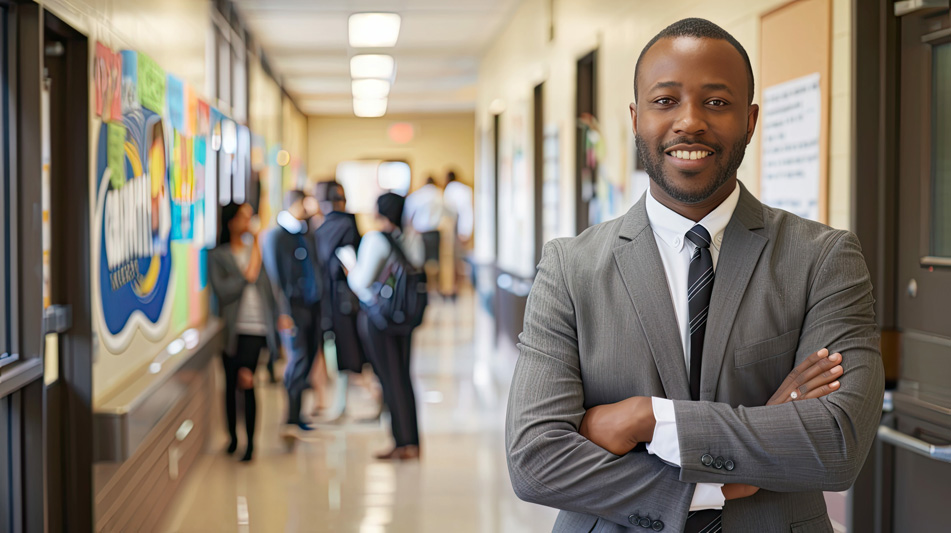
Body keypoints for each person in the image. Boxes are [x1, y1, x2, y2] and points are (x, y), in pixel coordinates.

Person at [505, 18, 884, 533]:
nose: (690, 122)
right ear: (636, 118)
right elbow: (535, 459)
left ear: (750, 121)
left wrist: (646, 418)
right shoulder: (570, 269)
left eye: (717, 102)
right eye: (665, 101)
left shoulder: (822, 258)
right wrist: (719, 485)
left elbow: (837, 443)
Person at [348, 193, 425, 460]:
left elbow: (361, 281)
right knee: (403, 376)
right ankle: (412, 441)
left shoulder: (374, 240)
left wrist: (350, 271)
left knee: (389, 379)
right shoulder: (412, 239)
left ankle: (401, 442)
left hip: (380, 319)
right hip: (405, 316)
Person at [208, 202, 279, 462]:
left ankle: (250, 444)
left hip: (257, 327)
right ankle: (233, 437)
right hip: (231, 330)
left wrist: (279, 319)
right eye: (243, 218)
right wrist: (246, 275)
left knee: (247, 380)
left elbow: (268, 288)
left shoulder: (257, 250)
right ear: (231, 221)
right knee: (230, 384)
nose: (248, 223)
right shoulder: (219, 255)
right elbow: (223, 291)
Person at [262, 190, 323, 436]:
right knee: (297, 359)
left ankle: (298, 415)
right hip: (293, 309)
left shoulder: (306, 233)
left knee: (308, 357)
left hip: (312, 306)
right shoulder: (276, 236)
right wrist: (283, 312)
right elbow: (276, 279)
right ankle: (291, 417)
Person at [313, 180, 369, 420]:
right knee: (343, 353)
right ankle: (337, 402)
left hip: (335, 300)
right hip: (341, 299)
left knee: (343, 353)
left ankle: (343, 402)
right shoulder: (346, 225)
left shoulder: (325, 227)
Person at [403, 176, 445, 290]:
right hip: (436, 232)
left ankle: (424, 286)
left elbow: (408, 214)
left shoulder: (418, 195)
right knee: (435, 262)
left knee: (420, 261)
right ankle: (435, 287)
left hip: (420, 233)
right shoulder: (439, 194)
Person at [441, 170, 474, 298]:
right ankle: (455, 287)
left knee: (454, 260)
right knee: (457, 259)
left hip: (454, 229)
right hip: (459, 229)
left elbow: (463, 211)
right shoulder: (463, 189)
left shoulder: (452, 189)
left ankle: (454, 287)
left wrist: (463, 231)